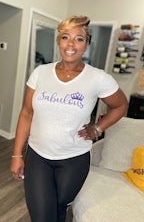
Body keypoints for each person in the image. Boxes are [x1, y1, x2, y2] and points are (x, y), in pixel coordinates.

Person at [10, 15, 128, 222]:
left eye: (79, 38)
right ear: (59, 42)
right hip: (38, 156)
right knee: (42, 216)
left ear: (87, 44)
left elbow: (120, 105)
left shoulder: (98, 78)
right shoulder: (40, 73)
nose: (71, 44)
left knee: (59, 208)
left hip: (75, 159)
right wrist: (16, 154)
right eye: (65, 37)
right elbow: (26, 113)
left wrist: (98, 128)